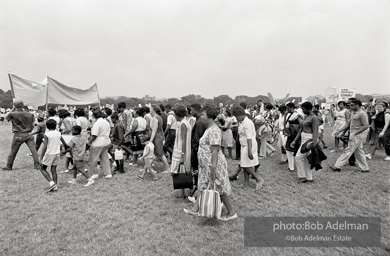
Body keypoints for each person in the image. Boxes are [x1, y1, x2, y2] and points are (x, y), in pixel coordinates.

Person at [183, 105, 237, 221]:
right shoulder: (209, 128)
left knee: (220, 187)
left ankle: (231, 212)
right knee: (203, 186)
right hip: (205, 165)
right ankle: (195, 209)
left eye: (203, 115)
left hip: (213, 164)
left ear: (210, 117)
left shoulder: (214, 130)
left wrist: (213, 168)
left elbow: (215, 151)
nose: (201, 117)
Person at [330, 98, 370, 172]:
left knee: (348, 150)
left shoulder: (362, 114)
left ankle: (337, 166)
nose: (350, 106)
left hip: (356, 134)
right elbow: (348, 124)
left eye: (351, 105)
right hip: (353, 133)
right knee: (359, 152)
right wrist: (339, 130)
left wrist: (355, 133)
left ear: (357, 105)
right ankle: (365, 168)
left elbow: (366, 125)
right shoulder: (353, 113)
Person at [2, 100, 40, 171]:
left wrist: (12, 109)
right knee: (33, 150)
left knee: (13, 151)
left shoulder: (12, 114)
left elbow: (6, 118)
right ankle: (37, 165)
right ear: (23, 105)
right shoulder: (30, 114)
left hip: (18, 134)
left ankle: (9, 166)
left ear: (14, 106)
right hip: (29, 134)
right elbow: (33, 124)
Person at [232, 106, 263, 190]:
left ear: (240, 114)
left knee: (244, 164)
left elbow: (249, 138)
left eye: (236, 116)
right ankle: (246, 183)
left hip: (249, 145)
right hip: (244, 145)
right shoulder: (242, 122)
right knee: (246, 163)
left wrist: (249, 151)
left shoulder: (247, 123)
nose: (236, 118)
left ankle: (258, 178)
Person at [291, 102, 319, 183]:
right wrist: (295, 140)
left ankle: (302, 177)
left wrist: (314, 143)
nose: (302, 111)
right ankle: (309, 177)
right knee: (306, 159)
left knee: (298, 157)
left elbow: (315, 131)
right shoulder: (306, 117)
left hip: (309, 139)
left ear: (309, 109)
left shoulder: (314, 118)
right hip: (304, 138)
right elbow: (301, 129)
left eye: (303, 109)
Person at [39, 119, 68, 192]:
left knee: (42, 168)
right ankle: (55, 185)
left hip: (49, 153)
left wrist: (41, 157)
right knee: (53, 169)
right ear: (55, 126)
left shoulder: (47, 135)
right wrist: (66, 149)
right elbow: (64, 143)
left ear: (47, 127)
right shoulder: (58, 133)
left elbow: (44, 147)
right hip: (57, 153)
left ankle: (52, 183)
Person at [170, 105, 192, 198]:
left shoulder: (183, 124)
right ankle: (182, 191)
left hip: (181, 150)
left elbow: (183, 140)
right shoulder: (186, 122)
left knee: (178, 171)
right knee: (182, 171)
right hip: (182, 149)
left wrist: (182, 154)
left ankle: (183, 191)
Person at [188, 103, 208, 202]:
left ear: (196, 110)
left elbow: (197, 138)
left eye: (191, 110)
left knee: (197, 172)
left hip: (198, 151)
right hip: (202, 150)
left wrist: (194, 150)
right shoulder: (202, 120)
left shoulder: (200, 122)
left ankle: (197, 194)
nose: (190, 112)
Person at [87, 109, 112, 180]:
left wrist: (89, 142)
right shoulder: (106, 122)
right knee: (105, 158)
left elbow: (94, 135)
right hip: (106, 142)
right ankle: (108, 173)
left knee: (93, 159)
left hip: (98, 143)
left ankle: (94, 173)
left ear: (94, 116)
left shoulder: (97, 123)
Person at [150, 105, 170, 172]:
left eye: (150, 108)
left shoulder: (156, 118)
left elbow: (154, 130)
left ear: (154, 110)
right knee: (157, 153)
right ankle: (149, 167)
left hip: (157, 137)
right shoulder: (158, 117)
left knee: (160, 154)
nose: (150, 110)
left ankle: (167, 168)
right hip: (159, 136)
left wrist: (151, 140)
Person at [284, 102, 303, 172]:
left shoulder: (297, 115)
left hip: (296, 136)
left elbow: (302, 124)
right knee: (288, 150)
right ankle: (291, 166)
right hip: (290, 135)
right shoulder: (289, 115)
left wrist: (295, 127)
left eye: (287, 108)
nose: (287, 110)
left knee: (298, 151)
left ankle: (297, 167)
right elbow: (285, 125)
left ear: (291, 108)